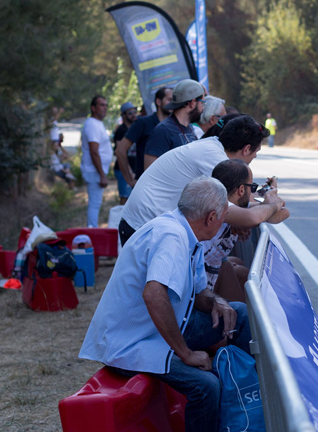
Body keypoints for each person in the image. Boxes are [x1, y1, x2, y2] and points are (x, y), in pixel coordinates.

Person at [79, 176, 246, 432]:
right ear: (212, 218)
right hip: (133, 343)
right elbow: (154, 294)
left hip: (165, 329)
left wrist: (216, 303)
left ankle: (243, 424)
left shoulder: (189, 233)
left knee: (237, 313)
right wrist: (186, 354)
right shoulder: (171, 236)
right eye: (225, 215)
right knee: (206, 387)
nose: (226, 220)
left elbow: (199, 293)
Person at [118, 115, 275, 245]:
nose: (255, 156)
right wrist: (273, 204)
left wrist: (263, 204)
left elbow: (240, 208)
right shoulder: (215, 159)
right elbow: (247, 216)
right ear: (246, 149)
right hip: (142, 228)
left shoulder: (212, 146)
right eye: (256, 151)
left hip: (146, 225)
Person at [205, 159, 289, 301]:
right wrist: (271, 203)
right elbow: (253, 217)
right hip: (200, 284)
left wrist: (270, 196)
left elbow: (283, 213)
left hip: (206, 271)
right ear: (241, 190)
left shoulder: (234, 207)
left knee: (241, 270)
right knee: (229, 270)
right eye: (253, 187)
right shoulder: (218, 205)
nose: (253, 191)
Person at [143, 79, 206, 169]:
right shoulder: (162, 131)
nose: (203, 108)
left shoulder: (190, 127)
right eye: (202, 103)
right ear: (192, 103)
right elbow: (149, 171)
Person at [118, 86, 172, 185]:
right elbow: (120, 150)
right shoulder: (143, 122)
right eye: (169, 99)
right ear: (158, 102)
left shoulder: (175, 125)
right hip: (146, 185)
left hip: (168, 183)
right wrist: (129, 180)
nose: (172, 103)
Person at [80, 95, 112, 228]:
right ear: (93, 108)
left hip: (96, 171)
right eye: (101, 105)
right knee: (94, 204)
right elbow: (94, 151)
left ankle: (92, 230)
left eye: (106, 105)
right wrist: (102, 175)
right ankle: (92, 230)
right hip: (94, 171)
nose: (105, 108)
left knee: (96, 203)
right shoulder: (92, 124)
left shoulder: (97, 123)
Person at [113, 102, 139, 204]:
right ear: (123, 115)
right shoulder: (121, 130)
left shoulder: (134, 129)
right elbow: (120, 152)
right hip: (123, 169)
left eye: (134, 112)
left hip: (133, 169)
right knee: (125, 199)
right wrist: (129, 171)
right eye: (130, 113)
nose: (133, 115)